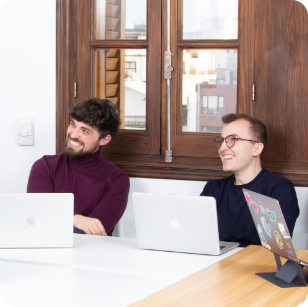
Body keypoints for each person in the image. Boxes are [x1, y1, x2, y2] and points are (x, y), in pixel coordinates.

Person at [27, 98, 130, 236]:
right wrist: (74, 219)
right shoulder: (45, 166)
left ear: (104, 139)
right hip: (45, 250)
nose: (73, 134)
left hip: (91, 253)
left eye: (85, 131)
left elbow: (92, 233)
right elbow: (35, 219)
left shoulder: (116, 179)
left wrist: (57, 218)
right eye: (73, 124)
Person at [200, 113, 299, 247]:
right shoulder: (213, 189)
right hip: (215, 265)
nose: (223, 148)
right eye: (222, 140)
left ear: (257, 149)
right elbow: (198, 239)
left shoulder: (279, 189)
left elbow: (276, 249)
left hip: (257, 267)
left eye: (232, 139)